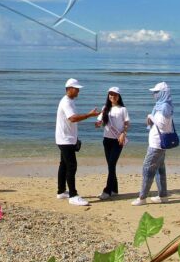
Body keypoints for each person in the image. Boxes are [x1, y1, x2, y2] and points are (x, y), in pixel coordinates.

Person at [55, 78, 99, 207]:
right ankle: (73, 195)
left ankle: (61, 191)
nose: (78, 91)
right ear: (69, 89)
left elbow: (70, 121)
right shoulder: (66, 102)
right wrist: (89, 115)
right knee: (71, 166)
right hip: (65, 140)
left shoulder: (70, 101)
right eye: (76, 88)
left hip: (66, 139)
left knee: (64, 165)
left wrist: (75, 138)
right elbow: (73, 118)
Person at [132, 81, 173, 206]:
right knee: (160, 169)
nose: (153, 94)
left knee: (147, 169)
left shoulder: (164, 106)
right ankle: (163, 196)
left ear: (162, 93)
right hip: (158, 143)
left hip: (157, 144)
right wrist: (152, 117)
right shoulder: (161, 105)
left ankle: (142, 198)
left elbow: (162, 125)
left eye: (156, 92)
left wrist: (150, 116)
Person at [95, 86, 130, 200]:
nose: (112, 96)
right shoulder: (105, 108)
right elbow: (99, 121)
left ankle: (107, 191)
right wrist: (98, 123)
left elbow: (126, 123)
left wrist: (123, 133)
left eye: (114, 94)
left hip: (118, 140)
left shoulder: (122, 109)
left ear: (118, 96)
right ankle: (115, 189)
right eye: (110, 94)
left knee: (111, 165)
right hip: (107, 140)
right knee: (111, 165)